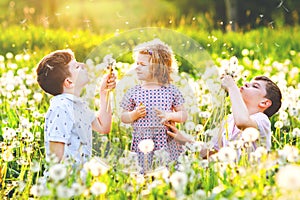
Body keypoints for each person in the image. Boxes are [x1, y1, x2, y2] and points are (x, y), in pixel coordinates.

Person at [166, 75, 282, 158]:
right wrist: (184, 140)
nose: (246, 84)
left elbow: (242, 122)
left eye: (255, 86)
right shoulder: (228, 120)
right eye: (249, 82)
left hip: (250, 181)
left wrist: (232, 87)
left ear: (264, 103)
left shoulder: (261, 120)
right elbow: (212, 153)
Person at [36, 49, 116, 165]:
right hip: (64, 180)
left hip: (79, 178)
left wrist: (104, 92)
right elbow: (55, 155)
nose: (83, 65)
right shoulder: (61, 107)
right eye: (77, 66)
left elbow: (103, 127)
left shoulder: (78, 104)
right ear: (69, 82)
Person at [120, 39, 188, 173]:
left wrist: (170, 115)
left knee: (167, 171)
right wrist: (134, 115)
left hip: (165, 139)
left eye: (142, 64)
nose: (137, 67)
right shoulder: (134, 92)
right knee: (144, 172)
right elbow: (123, 116)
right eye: (137, 63)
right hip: (142, 141)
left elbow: (183, 115)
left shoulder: (171, 90)